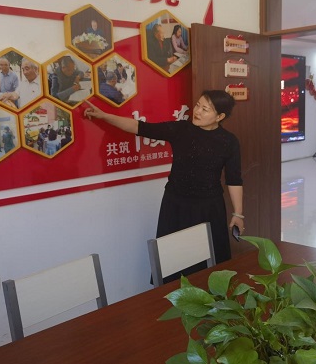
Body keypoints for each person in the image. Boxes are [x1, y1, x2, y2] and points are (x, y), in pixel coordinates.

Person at [84, 90, 244, 282]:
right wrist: (104, 116)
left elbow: (234, 179)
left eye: (205, 109)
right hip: (175, 205)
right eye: (198, 105)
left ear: (220, 116)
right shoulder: (181, 129)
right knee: (173, 260)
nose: (197, 111)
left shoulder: (229, 141)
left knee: (209, 264)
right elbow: (139, 127)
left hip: (208, 209)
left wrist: (238, 214)